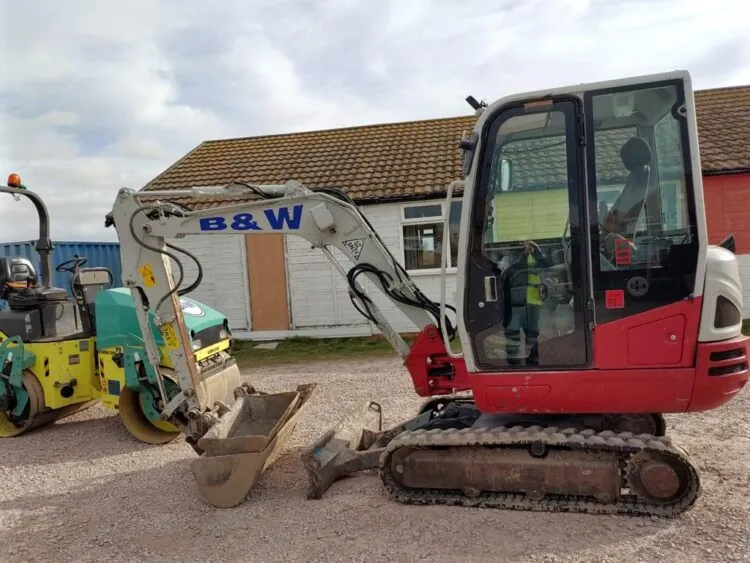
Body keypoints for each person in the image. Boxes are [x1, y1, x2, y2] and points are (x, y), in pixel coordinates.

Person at [502, 240, 549, 366]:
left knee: (532, 336)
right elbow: (513, 269)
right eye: (525, 245)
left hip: (533, 304)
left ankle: (532, 363)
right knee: (512, 336)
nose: (527, 248)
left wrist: (537, 253)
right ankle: (512, 364)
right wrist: (523, 254)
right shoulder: (512, 257)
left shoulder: (534, 258)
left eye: (529, 245)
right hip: (514, 305)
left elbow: (546, 267)